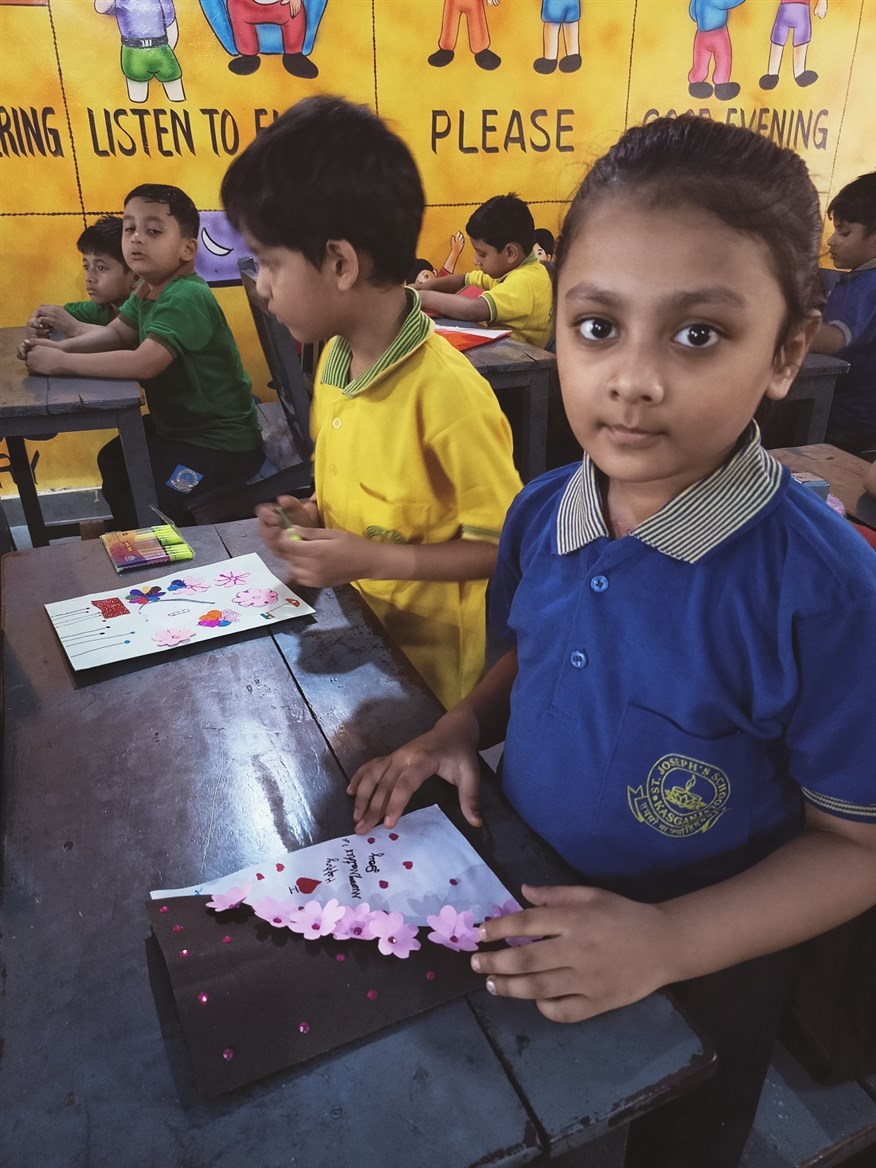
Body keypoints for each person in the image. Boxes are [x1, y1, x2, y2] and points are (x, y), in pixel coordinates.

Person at [348, 115, 876, 1168]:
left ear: (786, 352)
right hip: (527, 898)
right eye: (598, 326)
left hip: (712, 957)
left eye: (697, 335)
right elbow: (536, 649)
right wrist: (461, 724)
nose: (632, 378)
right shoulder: (542, 511)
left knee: (679, 1142)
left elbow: (856, 849)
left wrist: (670, 940)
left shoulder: (828, 594)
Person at [220, 96, 522, 710]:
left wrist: (371, 557)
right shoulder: (334, 364)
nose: (262, 288)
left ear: (340, 263)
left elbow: (501, 549)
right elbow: (366, 497)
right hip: (355, 634)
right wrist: (314, 519)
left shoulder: (450, 396)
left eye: (270, 263)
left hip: (428, 679)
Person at [20, 184, 263, 529]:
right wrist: (57, 348)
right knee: (113, 458)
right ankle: (131, 532)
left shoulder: (185, 296)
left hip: (221, 445)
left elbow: (144, 363)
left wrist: (62, 363)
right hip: (178, 429)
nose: (136, 238)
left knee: (157, 500)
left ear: (187, 249)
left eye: (153, 231)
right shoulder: (148, 289)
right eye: (129, 228)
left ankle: (150, 541)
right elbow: (117, 334)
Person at [417, 194, 553, 348]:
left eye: (482, 254)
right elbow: (464, 279)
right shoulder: (510, 270)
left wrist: (422, 297)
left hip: (523, 361)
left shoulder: (526, 281)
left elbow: (473, 309)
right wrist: (423, 286)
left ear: (510, 253)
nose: (476, 261)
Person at [809, 171, 876, 455]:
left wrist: (776, 328)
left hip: (846, 419)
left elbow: (834, 339)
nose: (831, 241)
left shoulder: (870, 284)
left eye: (844, 232)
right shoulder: (858, 279)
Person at [24, 216, 138, 340]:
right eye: (86, 267)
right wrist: (37, 324)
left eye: (101, 268)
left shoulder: (147, 309)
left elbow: (134, 343)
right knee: (56, 333)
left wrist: (74, 327)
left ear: (135, 277)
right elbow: (48, 312)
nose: (89, 278)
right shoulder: (104, 308)